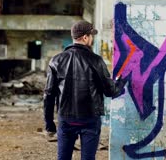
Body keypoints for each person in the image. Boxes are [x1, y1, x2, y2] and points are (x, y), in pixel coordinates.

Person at [43, 20, 125, 160]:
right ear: (86, 37)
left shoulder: (56, 60)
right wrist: (121, 82)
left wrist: (49, 124)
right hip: (90, 119)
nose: (92, 39)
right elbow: (110, 91)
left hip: (66, 118)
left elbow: (48, 95)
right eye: (91, 36)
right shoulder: (96, 60)